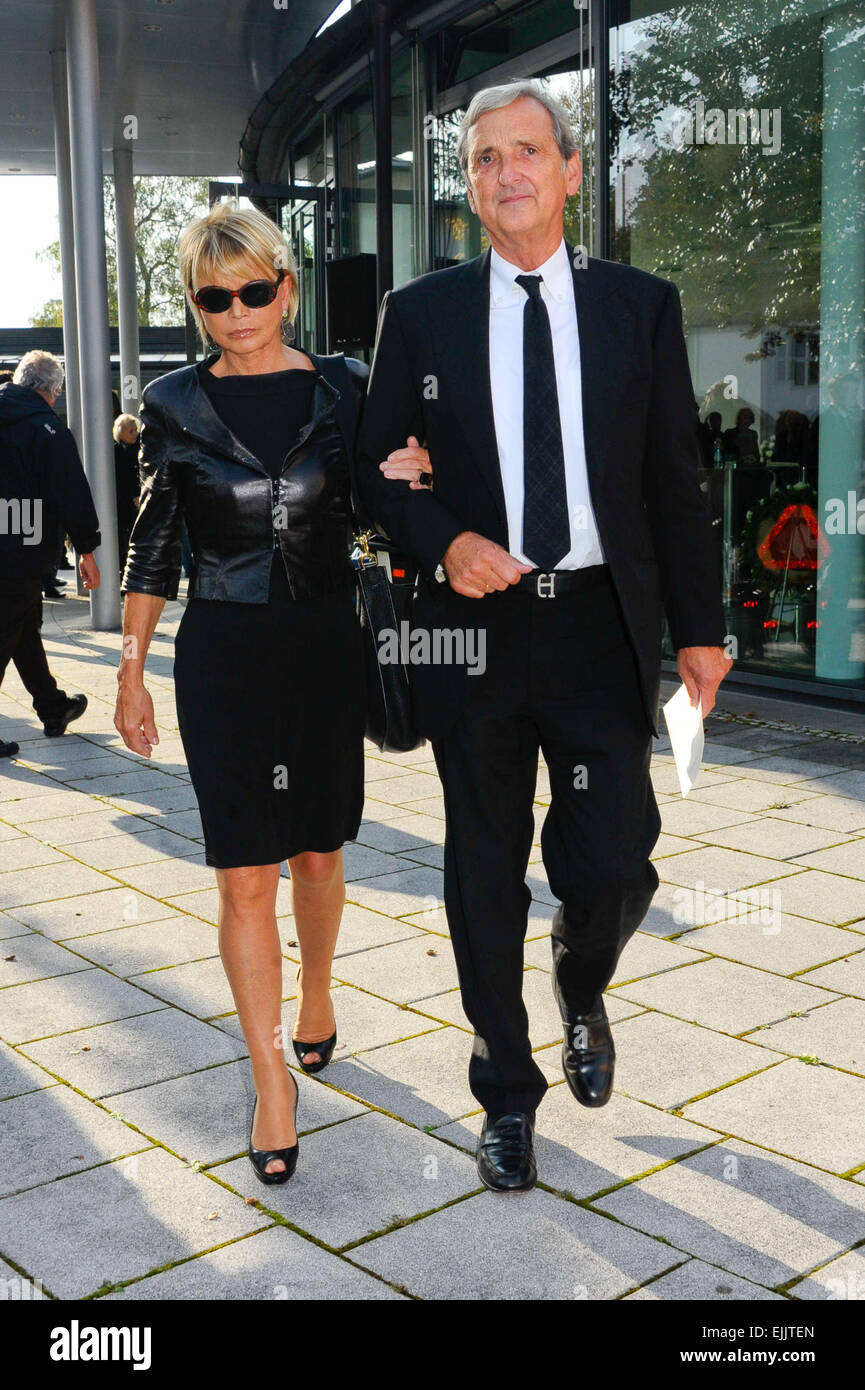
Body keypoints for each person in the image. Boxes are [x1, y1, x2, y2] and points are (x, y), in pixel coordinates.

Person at [357, 80, 731, 1193]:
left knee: (613, 859)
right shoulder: (417, 315)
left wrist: (703, 630)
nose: (505, 172)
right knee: (480, 871)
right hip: (469, 631)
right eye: (482, 159)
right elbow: (376, 474)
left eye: (526, 151)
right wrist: (445, 540)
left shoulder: (639, 305)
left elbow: (675, 476)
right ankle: (505, 1091)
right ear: (468, 187)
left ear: (570, 172)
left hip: (598, 628)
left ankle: (581, 977)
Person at [114, 203, 429, 1185]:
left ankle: (318, 993)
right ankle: (269, 1081)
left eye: (255, 289)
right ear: (198, 305)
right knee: (244, 871)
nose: (238, 310)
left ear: (286, 288)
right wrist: (131, 667)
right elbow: (156, 538)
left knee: (318, 852)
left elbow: (381, 502)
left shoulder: (343, 386)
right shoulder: (173, 403)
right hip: (225, 653)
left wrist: (418, 474)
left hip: (324, 647)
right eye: (216, 296)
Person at [0, 351, 100, 757]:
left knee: (22, 627)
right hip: (20, 546)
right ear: (51, 391)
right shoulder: (46, 429)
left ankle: (53, 706)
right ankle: (52, 705)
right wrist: (87, 548)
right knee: (9, 627)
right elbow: (70, 491)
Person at [112, 413, 141, 574]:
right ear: (120, 432)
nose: (135, 434)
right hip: (123, 506)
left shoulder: (140, 449)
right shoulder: (115, 451)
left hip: (138, 502)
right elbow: (121, 479)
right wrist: (133, 496)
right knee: (123, 543)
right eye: (131, 431)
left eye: (136, 430)